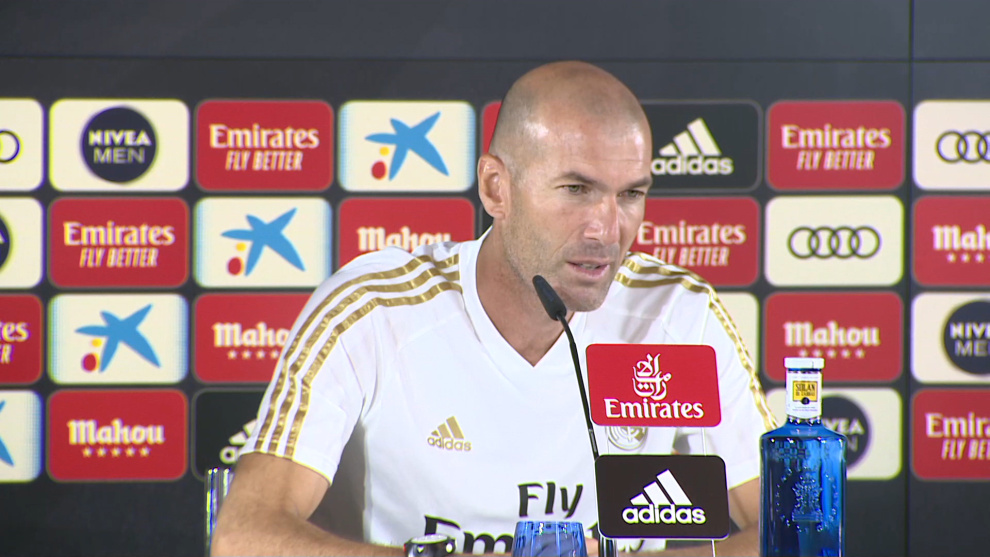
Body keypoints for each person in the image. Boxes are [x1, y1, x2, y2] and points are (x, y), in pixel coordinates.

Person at [212, 60, 774, 557]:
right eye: (576, 190)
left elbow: (791, 531)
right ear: (495, 188)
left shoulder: (678, 314)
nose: (607, 230)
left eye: (630, 194)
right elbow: (243, 536)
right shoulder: (372, 311)